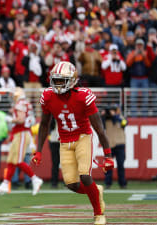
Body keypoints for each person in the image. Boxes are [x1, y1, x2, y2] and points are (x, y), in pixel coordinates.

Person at [33, 61, 114, 225]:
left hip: (83, 137)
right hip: (64, 141)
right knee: (71, 184)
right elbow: (44, 125)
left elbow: (99, 128)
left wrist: (108, 155)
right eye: (55, 80)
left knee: (85, 176)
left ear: (72, 80)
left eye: (61, 81)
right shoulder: (48, 96)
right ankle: (96, 191)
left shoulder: (83, 96)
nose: (57, 84)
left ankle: (99, 214)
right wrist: (39, 150)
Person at [0, 88, 43, 196]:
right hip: (20, 134)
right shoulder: (25, 103)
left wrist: (9, 119)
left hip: (22, 134)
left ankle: (35, 179)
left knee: (18, 161)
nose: (12, 97)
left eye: (13, 95)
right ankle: (5, 184)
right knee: (11, 160)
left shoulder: (20, 103)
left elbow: (21, 120)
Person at [101, 105, 127, 189]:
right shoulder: (105, 120)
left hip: (120, 144)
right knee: (108, 166)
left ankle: (122, 183)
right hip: (110, 145)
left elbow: (124, 123)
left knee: (120, 165)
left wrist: (114, 115)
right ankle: (108, 183)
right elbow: (100, 124)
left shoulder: (121, 118)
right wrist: (103, 115)